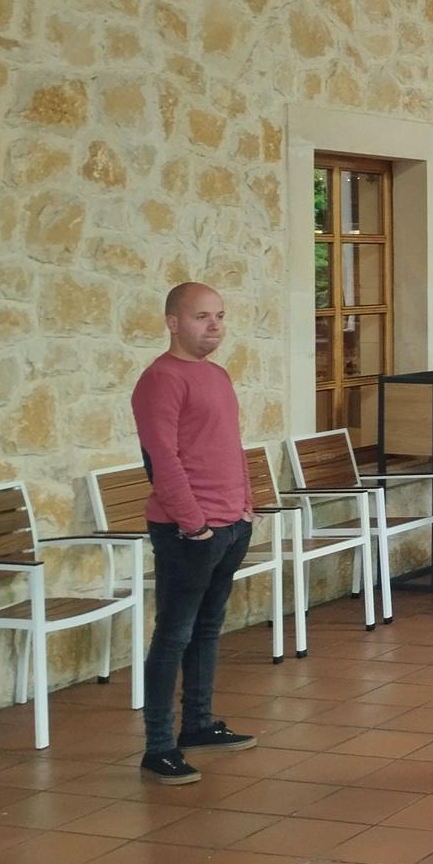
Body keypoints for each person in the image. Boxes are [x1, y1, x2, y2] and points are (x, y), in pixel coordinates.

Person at [130, 282, 260, 785]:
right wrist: (195, 525)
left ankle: (199, 723)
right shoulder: (160, 380)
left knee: (207, 629)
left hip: (230, 524)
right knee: (173, 634)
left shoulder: (218, 375)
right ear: (173, 322)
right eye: (203, 316)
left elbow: (230, 445)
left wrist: (244, 507)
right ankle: (158, 744)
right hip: (189, 532)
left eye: (220, 316)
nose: (215, 326)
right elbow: (162, 459)